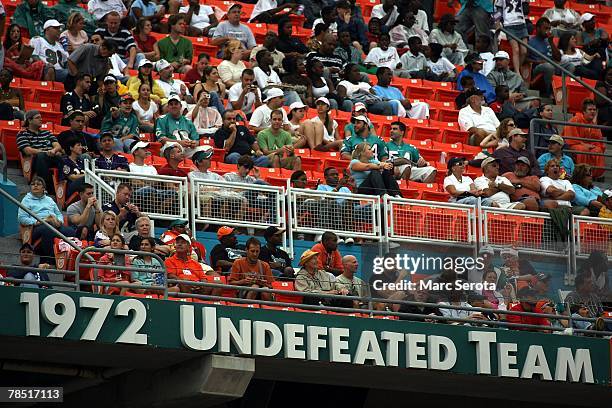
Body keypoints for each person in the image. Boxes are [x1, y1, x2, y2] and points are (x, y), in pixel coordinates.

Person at [18, 176, 76, 263]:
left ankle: (66, 259)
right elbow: (22, 218)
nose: (35, 186)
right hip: (37, 227)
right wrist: (38, 221)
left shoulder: (49, 200)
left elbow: (59, 214)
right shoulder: (26, 200)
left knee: (70, 232)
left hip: (53, 223)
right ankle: (49, 260)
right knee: (48, 230)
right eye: (33, 184)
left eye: (38, 184)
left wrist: (59, 221)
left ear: (44, 188)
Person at [16, 110, 63, 190]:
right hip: (34, 160)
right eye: (37, 118)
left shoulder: (47, 133)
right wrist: (46, 152)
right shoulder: (22, 134)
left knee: (63, 157)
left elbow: (57, 145)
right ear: (29, 120)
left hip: (51, 156)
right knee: (41, 156)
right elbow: (27, 150)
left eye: (41, 117)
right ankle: (46, 187)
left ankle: (62, 184)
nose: (41, 119)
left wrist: (54, 150)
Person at [562, 99, 605, 178]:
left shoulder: (594, 125)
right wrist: (584, 144)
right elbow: (570, 139)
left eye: (594, 110)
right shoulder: (575, 120)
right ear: (584, 112)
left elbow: (599, 141)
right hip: (574, 145)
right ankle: (581, 174)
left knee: (598, 150)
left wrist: (594, 146)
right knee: (582, 149)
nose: (592, 111)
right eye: (590, 109)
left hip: (588, 146)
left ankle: (593, 175)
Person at [528, 17, 562, 98]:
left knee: (569, 65)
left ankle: (564, 93)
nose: (548, 31)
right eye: (545, 28)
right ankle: (550, 93)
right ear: (538, 28)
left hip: (552, 64)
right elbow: (525, 60)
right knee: (548, 67)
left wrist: (551, 43)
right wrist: (539, 62)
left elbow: (558, 58)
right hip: (537, 67)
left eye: (549, 28)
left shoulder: (549, 41)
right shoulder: (530, 42)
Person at [494, 0, 529, 75]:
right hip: (509, 24)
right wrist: (497, 22)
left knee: (524, 51)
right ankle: (517, 73)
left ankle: (515, 69)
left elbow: (526, 8)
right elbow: (498, 9)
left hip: (522, 23)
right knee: (515, 49)